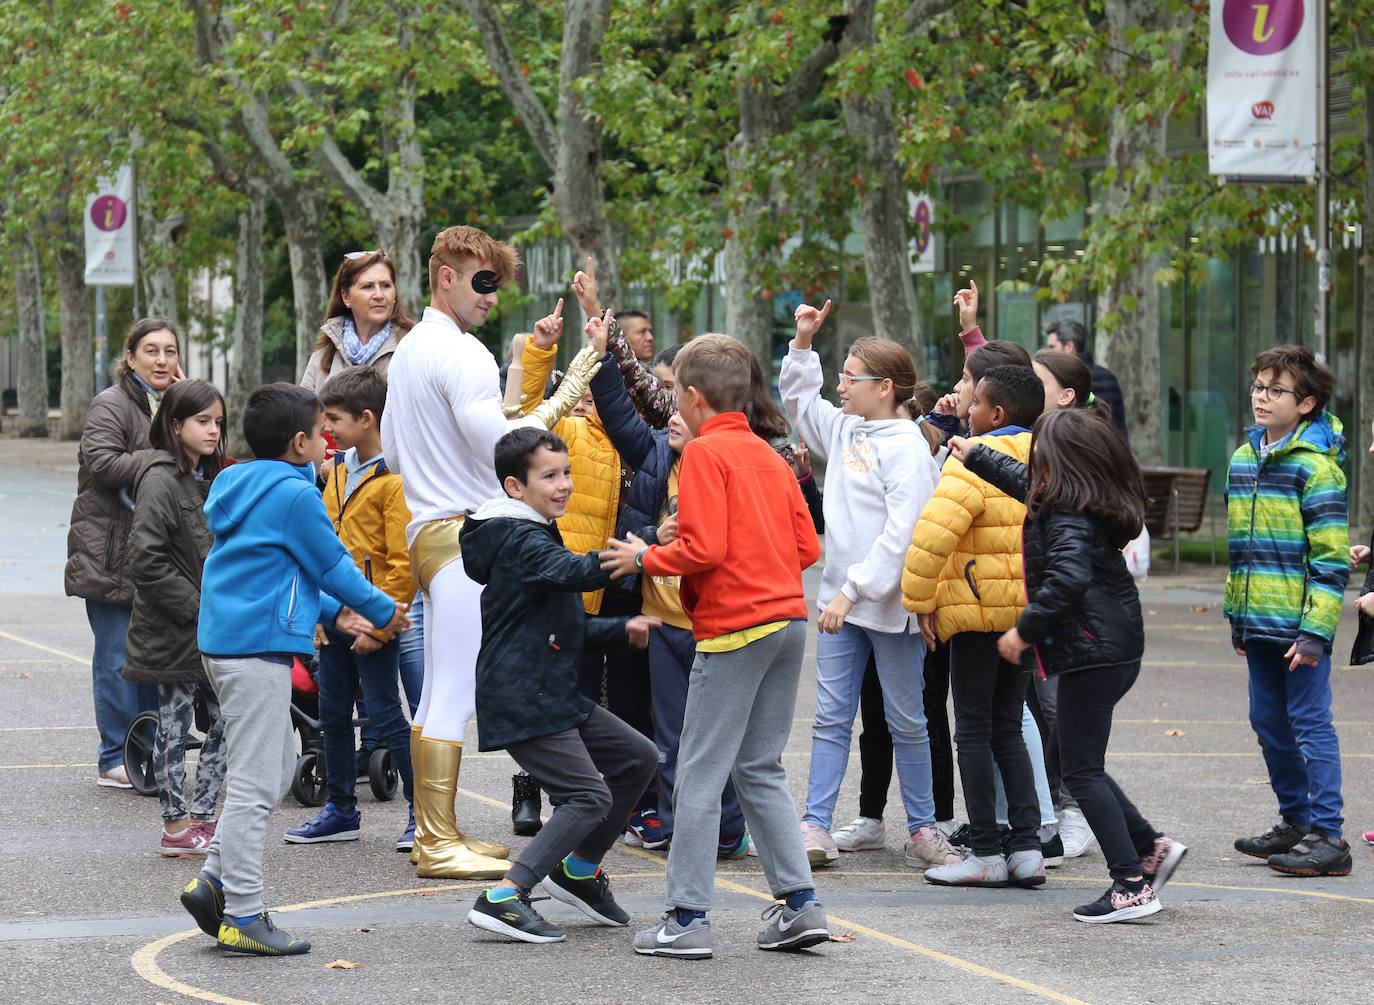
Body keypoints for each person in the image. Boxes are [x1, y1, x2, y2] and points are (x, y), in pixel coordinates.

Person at [381, 225, 600, 880]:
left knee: (436, 696)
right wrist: (578, 376)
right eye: (481, 281)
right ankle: (437, 840)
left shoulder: (413, 349)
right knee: (449, 690)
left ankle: (435, 834)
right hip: (459, 536)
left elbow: (396, 451)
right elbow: (502, 448)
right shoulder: (461, 353)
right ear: (443, 276)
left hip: (431, 530)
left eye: (495, 284)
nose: (490, 296)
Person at [601, 334, 828, 960]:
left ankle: (687, 917)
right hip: (787, 621)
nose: (672, 404)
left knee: (698, 772)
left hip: (736, 628)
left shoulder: (704, 456)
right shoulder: (768, 454)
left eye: (674, 394)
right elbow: (807, 549)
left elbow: (702, 550)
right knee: (759, 767)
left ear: (694, 398)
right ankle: (801, 905)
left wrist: (645, 554)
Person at [178, 382, 408, 956]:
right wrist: (382, 611)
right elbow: (331, 562)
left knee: (279, 762)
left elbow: (285, 568)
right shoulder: (296, 496)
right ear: (300, 442)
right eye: (322, 434)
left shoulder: (241, 482)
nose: (330, 443)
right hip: (252, 648)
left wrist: (337, 615)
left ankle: (212, 881)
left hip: (235, 642)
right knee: (257, 784)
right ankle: (245, 912)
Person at [954, 408, 1188, 922]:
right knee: (1076, 762)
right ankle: (1150, 846)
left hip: (1092, 654)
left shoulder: (1066, 514)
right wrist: (977, 455)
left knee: (1081, 770)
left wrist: (1024, 630)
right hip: (1110, 649)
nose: (1033, 464)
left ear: (1056, 462)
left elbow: (1066, 579)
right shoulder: (1078, 496)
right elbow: (1025, 484)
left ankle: (1131, 884)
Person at [462, 428, 660, 943]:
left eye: (566, 472)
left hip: (548, 687)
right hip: (523, 693)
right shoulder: (521, 538)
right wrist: (645, 548)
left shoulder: (533, 531)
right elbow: (571, 572)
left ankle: (578, 870)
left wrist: (622, 629)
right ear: (514, 487)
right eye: (549, 476)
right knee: (588, 796)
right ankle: (505, 896)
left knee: (638, 757)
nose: (564, 484)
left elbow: (561, 628)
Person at [778, 300, 954, 872]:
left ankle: (925, 828)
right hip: (841, 605)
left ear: (884, 387)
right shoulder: (850, 430)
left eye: (849, 378)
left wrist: (852, 590)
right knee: (830, 717)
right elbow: (801, 405)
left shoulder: (908, 448)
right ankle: (815, 824)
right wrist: (802, 344)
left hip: (883, 607)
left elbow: (902, 536)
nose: (841, 386)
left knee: (907, 719)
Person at [586, 319, 749, 859]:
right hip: (662, 622)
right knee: (671, 737)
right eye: (667, 407)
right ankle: (682, 827)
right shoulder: (657, 454)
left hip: (711, 624)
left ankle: (728, 827)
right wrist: (605, 352)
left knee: (715, 739)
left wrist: (653, 550)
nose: (672, 414)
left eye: (681, 405)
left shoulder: (730, 462)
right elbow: (615, 407)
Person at [902, 364, 1045, 888]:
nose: (967, 405)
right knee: (1008, 723)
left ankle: (985, 847)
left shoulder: (970, 461)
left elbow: (932, 538)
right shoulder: (1051, 458)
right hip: (1028, 616)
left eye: (976, 401)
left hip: (976, 613)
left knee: (975, 730)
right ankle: (1028, 846)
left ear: (996, 414)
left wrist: (919, 602)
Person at [1226, 345, 1352, 877]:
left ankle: (1329, 836)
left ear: (1305, 403)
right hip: (1257, 623)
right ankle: (1296, 821)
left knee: (1308, 723)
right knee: (1267, 722)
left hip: (1300, 628)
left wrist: (1316, 633)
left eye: (1275, 390)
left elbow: (1330, 562)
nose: (1262, 397)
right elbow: (1240, 549)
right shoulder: (1242, 457)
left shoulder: (1316, 470)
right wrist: (1238, 616)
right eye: (1258, 386)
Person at [284, 367, 417, 852]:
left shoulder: (395, 478)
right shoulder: (337, 470)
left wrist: (380, 626)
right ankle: (341, 809)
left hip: (373, 620)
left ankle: (421, 815)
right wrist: (321, 617)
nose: (328, 430)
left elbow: (402, 565)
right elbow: (323, 550)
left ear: (367, 418)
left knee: (386, 716)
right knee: (333, 714)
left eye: (334, 419)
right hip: (336, 618)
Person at [65, 318, 181, 788]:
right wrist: (166, 454)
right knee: (117, 657)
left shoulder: (178, 404)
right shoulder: (109, 404)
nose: (161, 360)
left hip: (162, 552)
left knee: (155, 661)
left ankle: (148, 756)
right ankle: (114, 755)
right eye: (150, 351)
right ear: (129, 358)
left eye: (169, 351)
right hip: (111, 554)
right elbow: (105, 464)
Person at [123, 379, 229, 856]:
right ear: (175, 424)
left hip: (211, 627)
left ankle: (204, 816)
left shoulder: (209, 475)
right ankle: (177, 825)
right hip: (173, 629)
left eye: (218, 422)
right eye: (202, 421)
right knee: (174, 722)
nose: (212, 430)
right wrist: (195, 606)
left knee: (227, 717)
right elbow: (146, 559)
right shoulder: (159, 478)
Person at [300, 251, 415, 392]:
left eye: (385, 285)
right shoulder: (324, 356)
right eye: (368, 286)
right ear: (346, 296)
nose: (379, 295)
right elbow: (304, 413)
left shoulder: (412, 347)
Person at [1044, 318, 1127, 443]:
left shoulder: (1065, 379)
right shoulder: (1108, 376)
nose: (1049, 352)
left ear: (1069, 347)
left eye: (1052, 347)